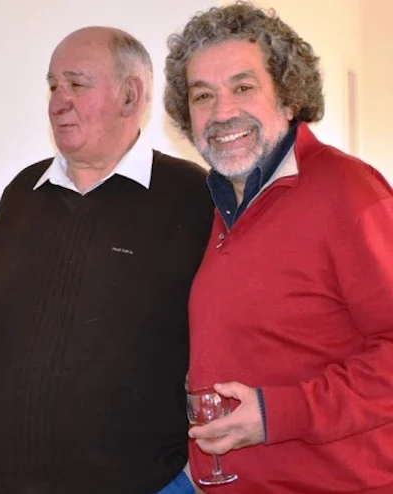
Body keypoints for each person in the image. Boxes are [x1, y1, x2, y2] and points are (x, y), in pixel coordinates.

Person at [0, 26, 213, 494]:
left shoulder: (192, 196)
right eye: (52, 86)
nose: (57, 102)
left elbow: (234, 331)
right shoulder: (23, 191)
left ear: (131, 94)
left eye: (77, 84)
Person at [163, 2, 393, 492]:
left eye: (244, 87)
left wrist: (277, 414)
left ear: (289, 99)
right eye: (203, 95)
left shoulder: (349, 190)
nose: (222, 112)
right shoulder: (215, 205)